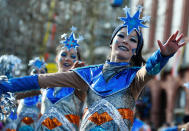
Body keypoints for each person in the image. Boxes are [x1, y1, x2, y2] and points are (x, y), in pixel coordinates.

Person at [0, 5, 187, 130]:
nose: (125, 41)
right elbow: (40, 81)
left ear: (135, 52)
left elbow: (150, 70)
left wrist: (162, 55)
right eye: (121, 36)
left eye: (133, 40)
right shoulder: (88, 74)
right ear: (111, 41)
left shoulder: (134, 78)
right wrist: (6, 86)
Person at [36, 27, 85, 131]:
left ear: (78, 62)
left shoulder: (81, 86)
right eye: (63, 54)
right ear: (56, 58)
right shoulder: (45, 82)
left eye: (73, 56)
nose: (67, 58)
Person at [16, 57, 47, 131]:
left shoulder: (48, 95)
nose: (38, 75)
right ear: (29, 74)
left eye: (42, 72)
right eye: (35, 71)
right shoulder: (21, 93)